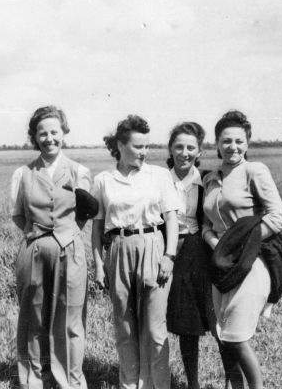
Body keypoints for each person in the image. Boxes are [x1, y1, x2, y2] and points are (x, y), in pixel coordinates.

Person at [91, 115, 180, 389]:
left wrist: (169, 256)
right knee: (125, 328)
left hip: (153, 246)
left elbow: (172, 219)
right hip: (118, 249)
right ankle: (130, 385)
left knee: (154, 329)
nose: (144, 152)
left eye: (147, 146)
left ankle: (158, 385)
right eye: (138, 146)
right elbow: (96, 228)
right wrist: (97, 264)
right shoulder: (104, 180)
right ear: (120, 145)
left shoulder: (159, 176)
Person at [202, 110, 282, 389]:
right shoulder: (210, 179)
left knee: (237, 338)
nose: (233, 147)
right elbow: (206, 225)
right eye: (226, 141)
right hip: (221, 264)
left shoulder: (255, 171)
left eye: (239, 141)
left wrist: (242, 246)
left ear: (247, 144)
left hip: (251, 262)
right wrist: (217, 245)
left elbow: (277, 217)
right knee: (224, 337)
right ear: (217, 143)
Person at [10, 105, 92, 389]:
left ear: (64, 133)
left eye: (54, 132)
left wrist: (66, 235)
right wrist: (39, 237)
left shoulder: (79, 171)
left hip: (70, 250)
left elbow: (84, 212)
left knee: (69, 320)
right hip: (33, 251)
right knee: (32, 318)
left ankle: (70, 381)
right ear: (35, 136)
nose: (49, 138)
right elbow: (18, 214)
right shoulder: (23, 173)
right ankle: (32, 380)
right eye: (42, 133)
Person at [164, 122, 217, 389]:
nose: (184, 153)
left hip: (198, 252)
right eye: (179, 147)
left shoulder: (207, 180)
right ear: (170, 149)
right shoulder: (159, 179)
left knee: (203, 320)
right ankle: (180, 381)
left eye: (190, 147)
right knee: (173, 321)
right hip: (166, 251)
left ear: (199, 151)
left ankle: (217, 382)